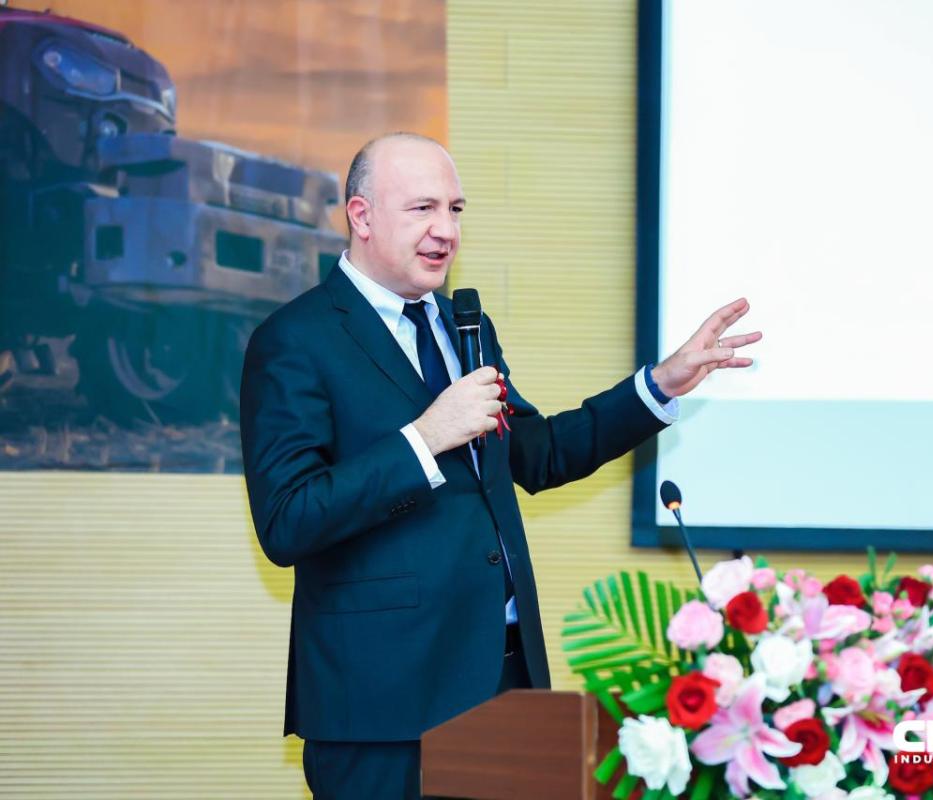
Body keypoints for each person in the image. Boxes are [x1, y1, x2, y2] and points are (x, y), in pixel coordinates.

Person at [240, 132, 761, 799]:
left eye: (456, 209)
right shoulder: (295, 340)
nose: (445, 230)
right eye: (423, 208)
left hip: (503, 680)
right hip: (383, 707)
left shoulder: (465, 327)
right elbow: (288, 521)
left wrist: (658, 385)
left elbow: (537, 453)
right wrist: (424, 439)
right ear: (361, 216)